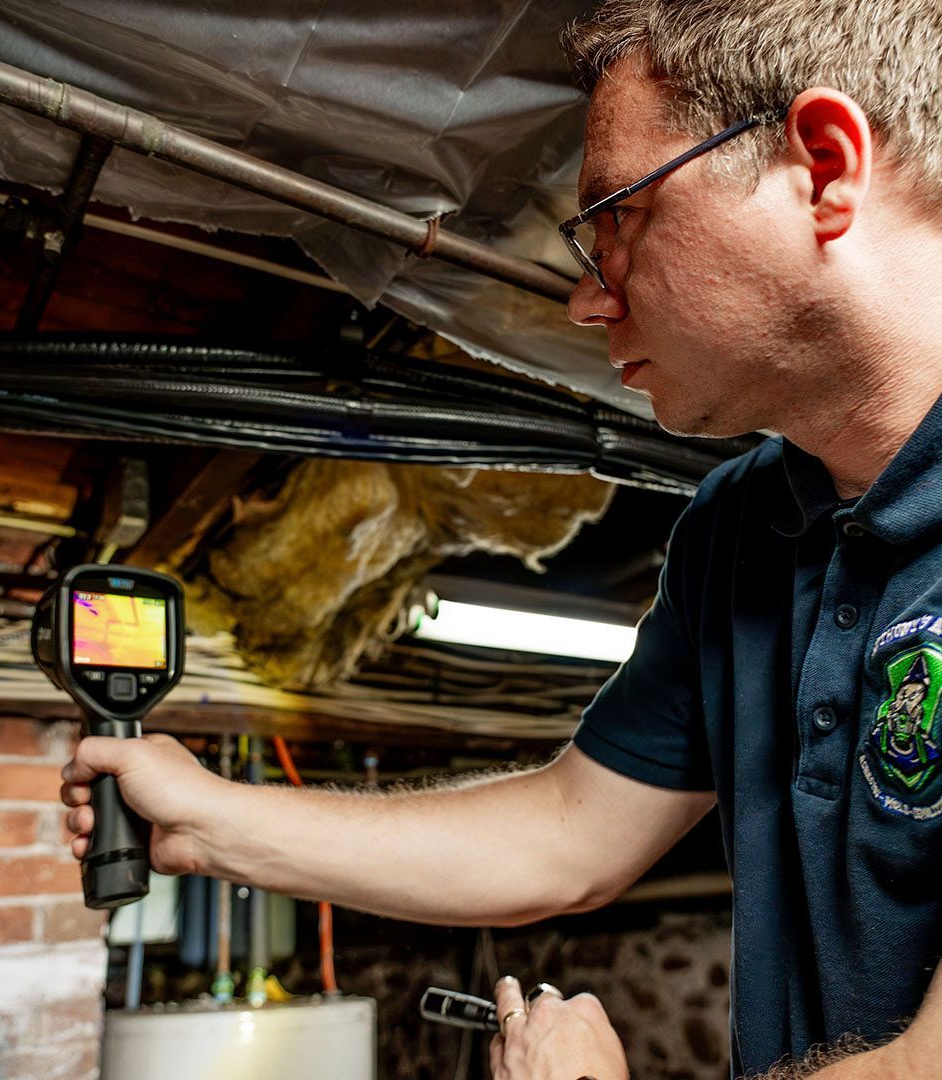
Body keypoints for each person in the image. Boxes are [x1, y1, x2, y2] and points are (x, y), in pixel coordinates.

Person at [60, 0, 942, 1076]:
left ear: (824, 165)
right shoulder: (740, 529)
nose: (583, 297)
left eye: (617, 216)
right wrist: (206, 822)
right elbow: (569, 830)